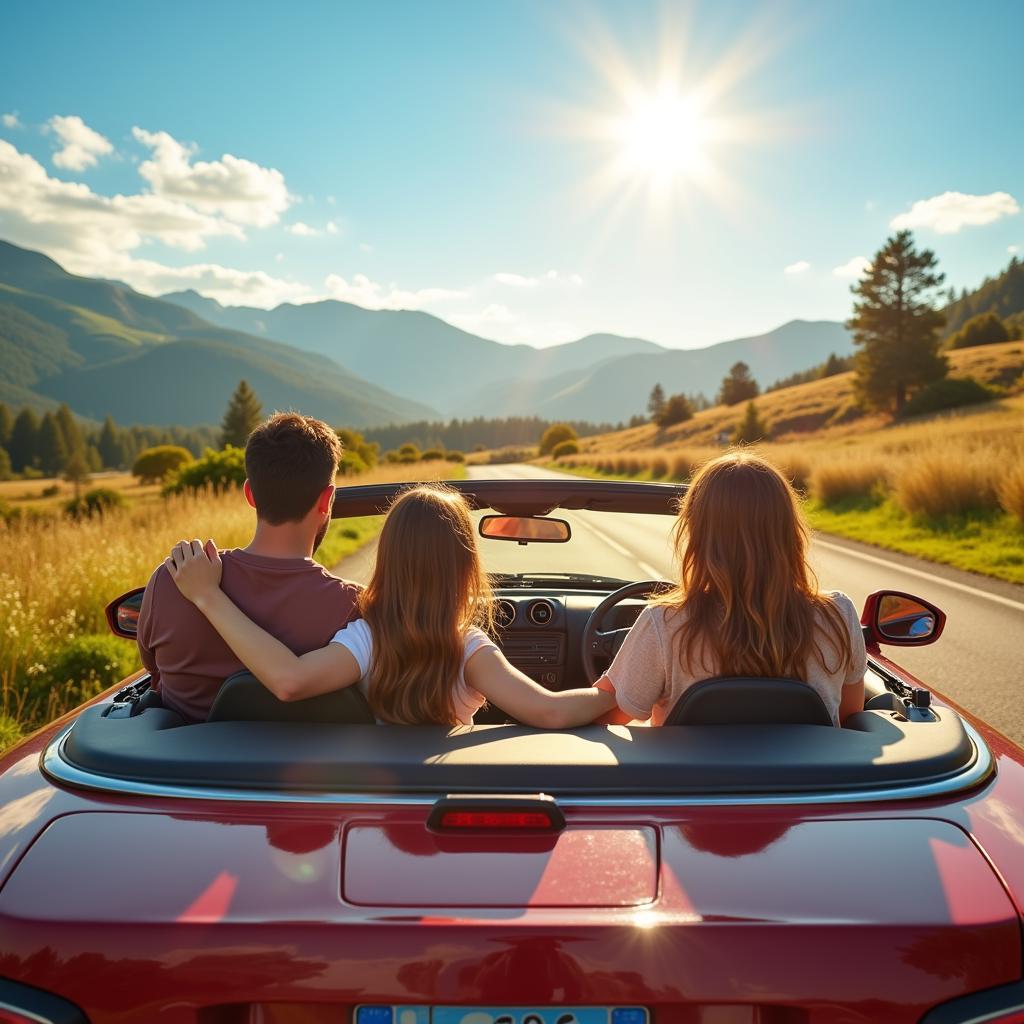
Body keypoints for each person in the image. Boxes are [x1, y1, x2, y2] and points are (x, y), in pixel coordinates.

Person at [164, 484, 615, 728]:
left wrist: (208, 596)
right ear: (465, 565)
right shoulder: (466, 647)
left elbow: (288, 680)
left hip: (380, 804)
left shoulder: (365, 637)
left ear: (390, 557)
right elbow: (550, 711)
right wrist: (614, 691)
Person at [597, 451, 866, 727]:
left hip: (691, 773)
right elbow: (849, 721)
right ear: (788, 531)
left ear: (698, 535)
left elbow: (608, 717)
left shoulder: (665, 623)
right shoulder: (838, 616)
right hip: (814, 772)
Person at [137, 412, 360, 722]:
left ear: (250, 494)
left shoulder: (174, 578)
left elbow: (152, 672)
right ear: (327, 500)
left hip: (179, 769)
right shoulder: (354, 606)